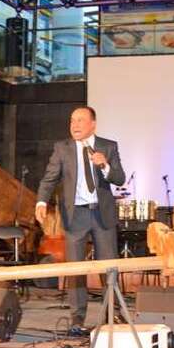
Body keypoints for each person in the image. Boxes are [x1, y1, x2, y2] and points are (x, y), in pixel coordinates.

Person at [35, 107, 126, 334]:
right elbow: (49, 178)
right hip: (75, 215)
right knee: (76, 268)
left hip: (102, 214)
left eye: (80, 120)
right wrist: (41, 202)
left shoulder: (108, 146)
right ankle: (77, 319)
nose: (74, 125)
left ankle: (112, 314)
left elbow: (120, 178)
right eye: (72, 120)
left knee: (109, 267)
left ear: (93, 124)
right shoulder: (62, 148)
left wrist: (105, 166)